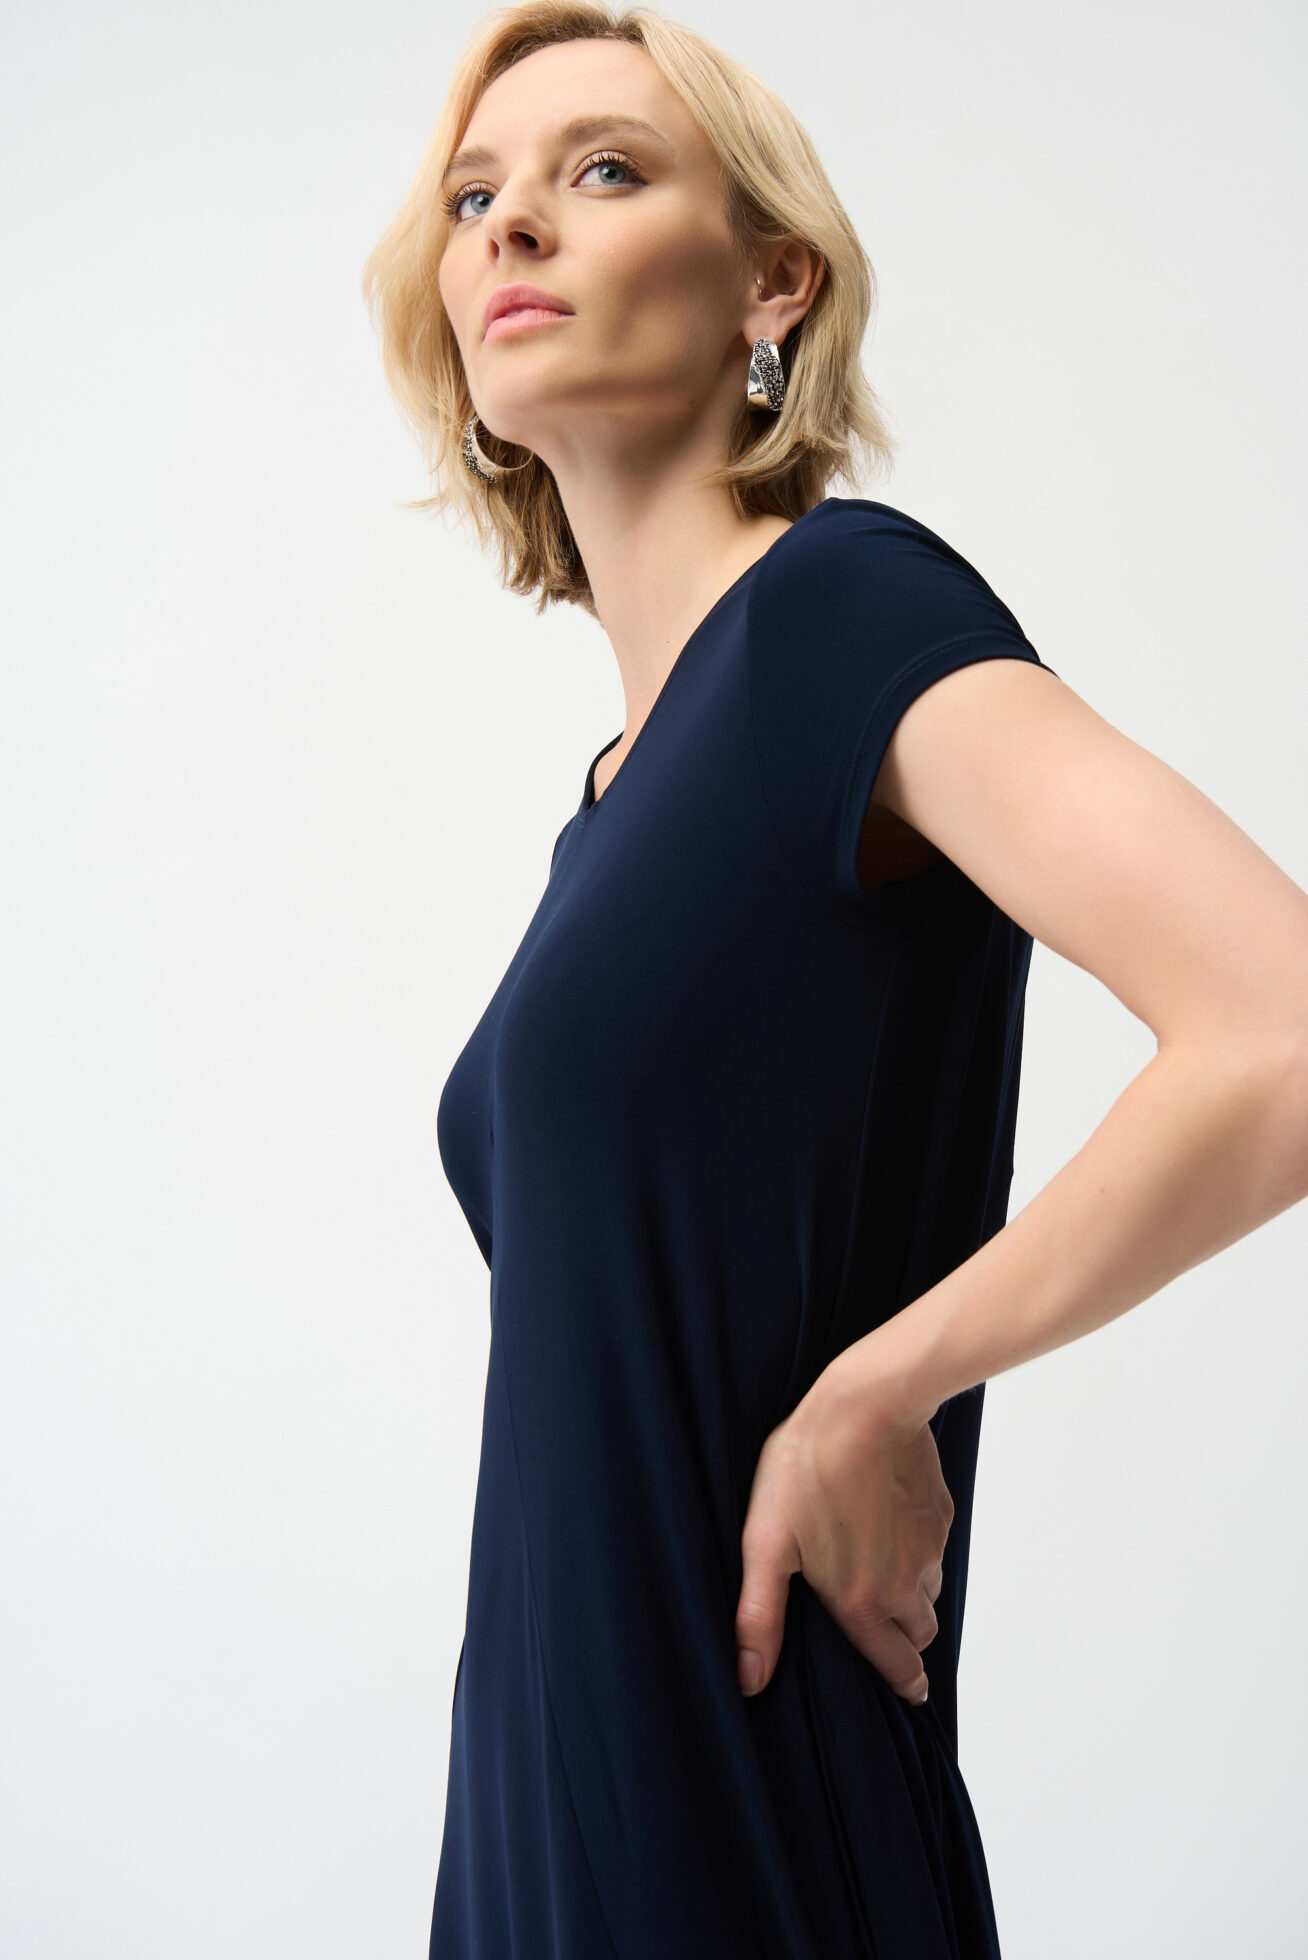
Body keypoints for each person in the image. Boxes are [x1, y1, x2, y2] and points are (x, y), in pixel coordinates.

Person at [361, 5, 1308, 1954]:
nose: (511, 223)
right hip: (534, 1831)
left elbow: (1279, 1028)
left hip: (742, 1824)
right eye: (472, 197)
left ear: (770, 284)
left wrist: (888, 1384)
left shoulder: (840, 616)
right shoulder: (606, 815)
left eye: (603, 169)